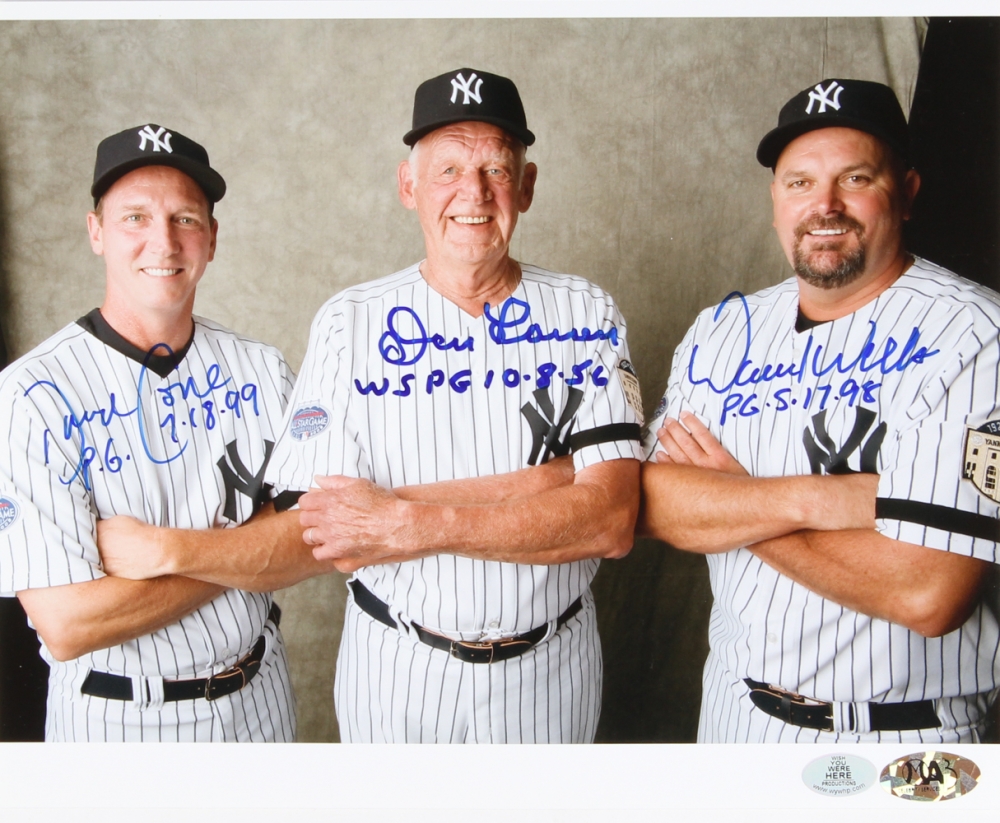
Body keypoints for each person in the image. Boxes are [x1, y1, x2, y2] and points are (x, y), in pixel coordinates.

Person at [99, 69, 643, 743]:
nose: (472, 193)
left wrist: (403, 519)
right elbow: (326, 530)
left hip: (549, 668)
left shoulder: (587, 310)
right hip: (397, 666)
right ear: (408, 185)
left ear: (525, 187)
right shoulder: (348, 321)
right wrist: (550, 482)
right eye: (446, 169)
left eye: (495, 168)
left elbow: (612, 519)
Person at [641, 78, 1000, 743]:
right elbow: (651, 503)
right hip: (734, 718)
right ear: (777, 199)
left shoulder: (974, 336)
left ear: (909, 190)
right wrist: (819, 500)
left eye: (855, 177)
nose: (824, 205)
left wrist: (733, 500)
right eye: (799, 182)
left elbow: (929, 593)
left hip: (902, 734)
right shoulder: (725, 329)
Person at [0, 125, 299, 741]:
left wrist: (168, 551)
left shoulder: (261, 368)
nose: (162, 241)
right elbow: (68, 624)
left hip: (260, 700)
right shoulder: (29, 395)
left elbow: (317, 539)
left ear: (211, 239)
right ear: (96, 233)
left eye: (185, 218)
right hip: (118, 721)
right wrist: (251, 551)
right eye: (134, 216)